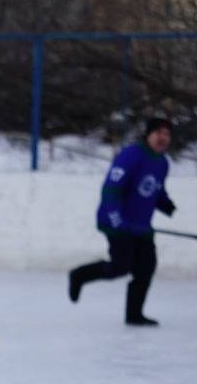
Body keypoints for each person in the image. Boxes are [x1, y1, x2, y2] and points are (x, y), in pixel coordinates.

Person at [67, 117, 175, 326]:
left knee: (146, 267)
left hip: (141, 226)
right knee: (121, 266)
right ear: (149, 134)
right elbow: (111, 188)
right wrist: (117, 219)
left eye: (167, 134)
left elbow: (154, 189)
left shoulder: (162, 163)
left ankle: (134, 315)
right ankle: (79, 275)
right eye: (159, 133)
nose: (163, 138)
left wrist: (166, 204)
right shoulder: (131, 155)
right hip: (116, 222)